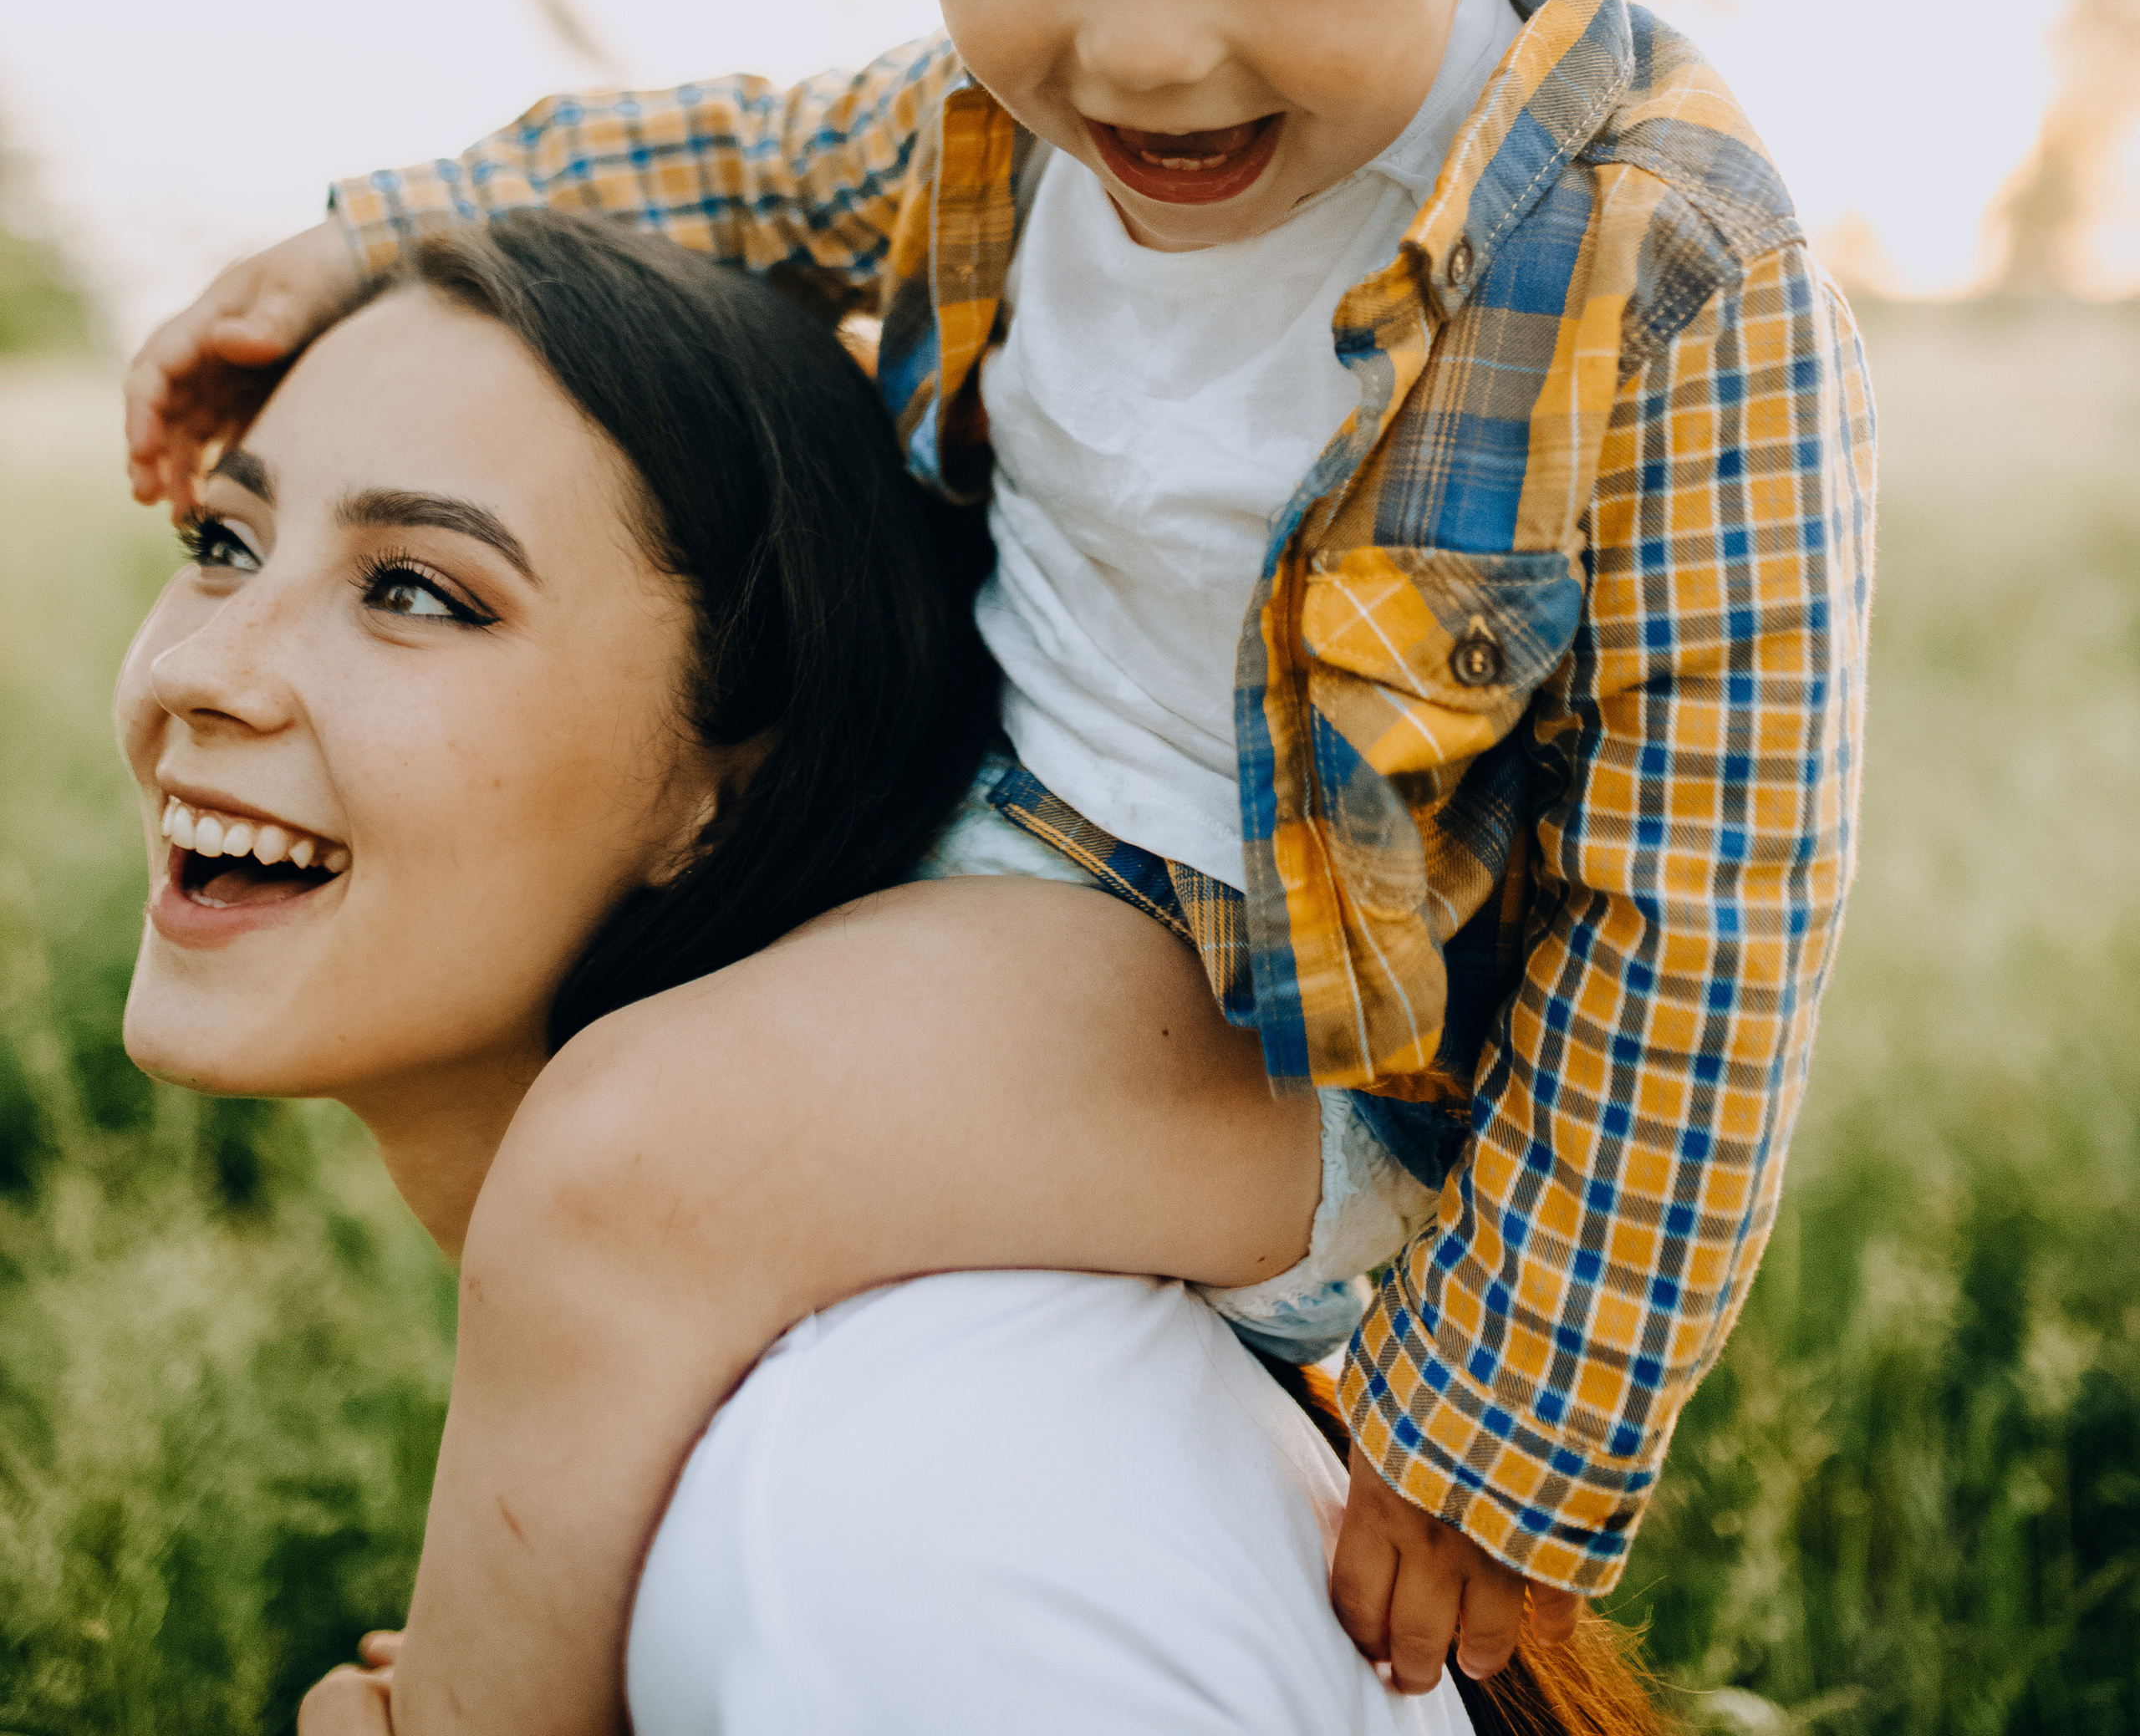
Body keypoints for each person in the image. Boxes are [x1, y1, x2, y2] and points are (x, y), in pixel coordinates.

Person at [126, 0, 1874, 1728]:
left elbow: (1711, 892)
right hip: (1000, 864)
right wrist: (374, 234)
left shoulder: (1654, 271)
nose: (1138, 51)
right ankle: (593, 1588)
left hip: (1272, 1011)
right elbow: (737, 159)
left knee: (624, 1166)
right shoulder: (1002, 128)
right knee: (587, 1153)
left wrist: (1506, 1429)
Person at [119, 211, 1494, 1733]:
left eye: (418, 592)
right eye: (222, 544)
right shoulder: (738, 1437)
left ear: (736, 779)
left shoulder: (874, 1544)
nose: (197, 669)